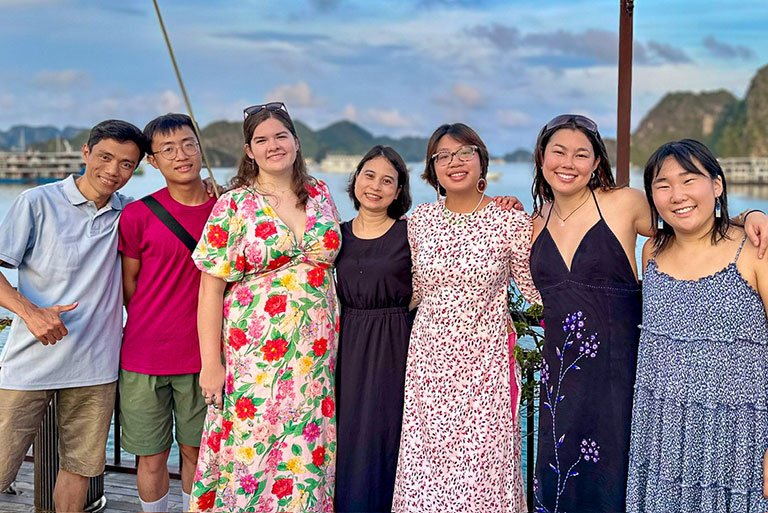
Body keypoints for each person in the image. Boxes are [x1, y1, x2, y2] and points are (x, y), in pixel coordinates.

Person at [529, 114, 768, 513]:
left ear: (597, 162)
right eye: (558, 151)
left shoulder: (624, 204)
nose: (568, 162)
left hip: (623, 380)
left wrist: (750, 216)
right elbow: (678, 231)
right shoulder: (534, 223)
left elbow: (691, 222)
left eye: (581, 153)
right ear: (541, 157)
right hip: (575, 386)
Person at [190, 102, 341, 512]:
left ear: (295, 141)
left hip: (315, 358)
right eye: (262, 140)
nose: (273, 145)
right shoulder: (233, 204)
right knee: (252, 452)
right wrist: (211, 363)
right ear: (249, 151)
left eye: (280, 136)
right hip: (255, 354)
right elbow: (209, 290)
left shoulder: (321, 193)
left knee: (306, 455)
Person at [393, 123, 540, 513]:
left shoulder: (509, 220)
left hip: (485, 366)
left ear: (481, 160)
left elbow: (535, 291)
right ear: (432, 169)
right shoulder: (419, 221)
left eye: (464, 152)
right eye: (443, 156)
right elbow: (408, 288)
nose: (454, 162)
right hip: (428, 365)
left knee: (484, 473)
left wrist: (543, 219)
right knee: (424, 473)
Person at [0, 120, 146, 513]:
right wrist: (30, 312)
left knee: (78, 471)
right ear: (86, 152)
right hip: (28, 364)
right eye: (105, 157)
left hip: (96, 368)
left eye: (127, 164)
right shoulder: (37, 202)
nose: (113, 171)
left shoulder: (131, 214)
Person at [626, 139, 768, 512]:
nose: (677, 195)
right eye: (663, 185)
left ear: (717, 185)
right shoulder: (651, 252)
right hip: (662, 433)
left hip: (740, 438)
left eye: (689, 180)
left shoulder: (753, 249)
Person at [117, 113, 214, 512]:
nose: (181, 155)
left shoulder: (226, 209)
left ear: (200, 147)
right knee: (151, 456)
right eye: (168, 149)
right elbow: (129, 288)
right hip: (143, 358)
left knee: (198, 453)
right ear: (153, 162)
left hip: (204, 360)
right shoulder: (137, 215)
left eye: (188, 144)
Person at [334, 145, 413, 513]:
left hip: (397, 343)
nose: (376, 187)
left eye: (387, 181)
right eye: (369, 176)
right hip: (348, 342)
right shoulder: (335, 235)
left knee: (389, 433)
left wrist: (498, 203)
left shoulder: (411, 234)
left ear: (398, 192)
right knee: (347, 431)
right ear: (355, 180)